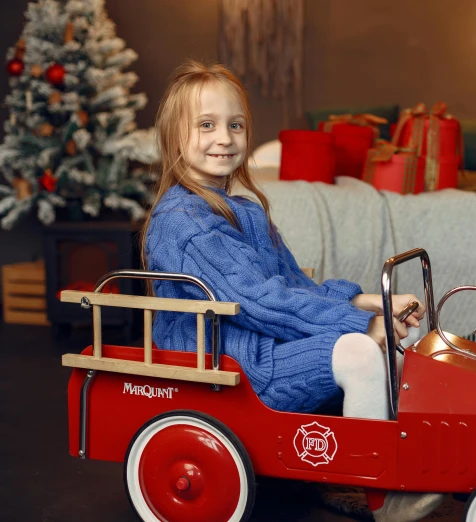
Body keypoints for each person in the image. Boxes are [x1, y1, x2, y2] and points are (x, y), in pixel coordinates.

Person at [140, 60, 443, 522]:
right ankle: (384, 496)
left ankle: (419, 457)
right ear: (174, 137)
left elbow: (292, 288)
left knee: (394, 351)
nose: (224, 137)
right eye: (206, 125)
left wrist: (368, 302)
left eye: (235, 125)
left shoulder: (245, 211)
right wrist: (362, 325)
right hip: (228, 360)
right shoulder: (182, 224)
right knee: (361, 352)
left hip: (263, 342)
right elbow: (258, 302)